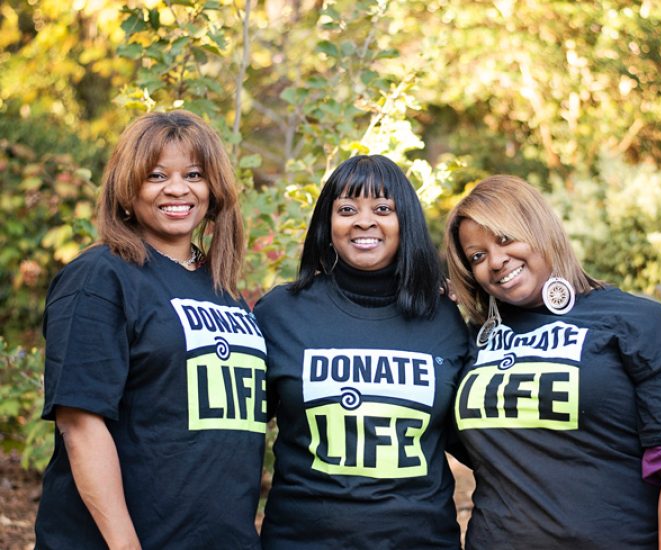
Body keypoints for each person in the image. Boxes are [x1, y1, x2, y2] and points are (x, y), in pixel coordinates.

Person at [444, 175, 661, 549]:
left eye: (506, 239)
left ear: (541, 229)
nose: (496, 261)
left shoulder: (642, 324)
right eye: (477, 256)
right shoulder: (472, 340)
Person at [34, 110, 267, 549]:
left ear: (213, 189)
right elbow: (80, 424)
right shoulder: (100, 278)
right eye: (156, 175)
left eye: (193, 174)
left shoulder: (223, 291)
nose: (177, 188)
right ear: (127, 188)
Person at [253, 154, 470, 549]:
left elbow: (480, 438)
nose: (364, 221)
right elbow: (233, 436)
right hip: (301, 540)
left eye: (383, 208)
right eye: (347, 209)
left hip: (420, 540)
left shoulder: (444, 318)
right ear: (327, 224)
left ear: (405, 222)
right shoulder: (281, 313)